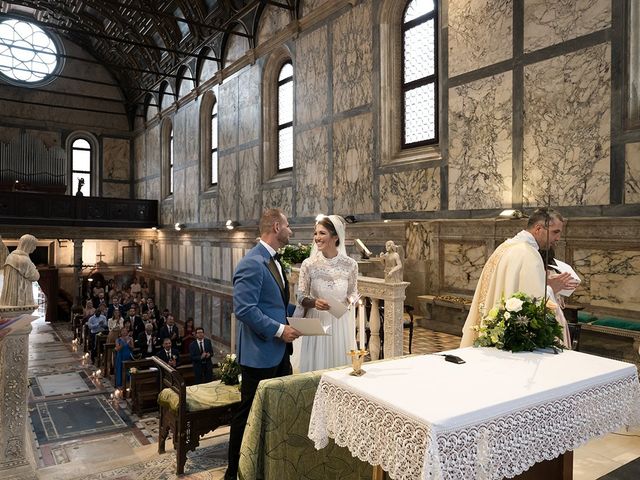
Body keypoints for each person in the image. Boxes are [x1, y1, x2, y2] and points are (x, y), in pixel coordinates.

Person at [225, 208, 301, 480]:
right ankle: (233, 473)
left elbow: (273, 304)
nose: (291, 231)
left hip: (279, 353)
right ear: (277, 227)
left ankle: (267, 467)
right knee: (246, 417)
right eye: (288, 225)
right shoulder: (252, 262)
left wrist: (303, 307)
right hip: (260, 354)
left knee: (276, 413)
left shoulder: (274, 261)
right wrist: (280, 330)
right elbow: (244, 310)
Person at [460, 208, 579, 347]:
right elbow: (531, 302)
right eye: (555, 232)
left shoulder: (507, 246)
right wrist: (551, 288)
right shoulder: (528, 254)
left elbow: (514, 291)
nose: (558, 238)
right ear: (538, 229)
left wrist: (545, 283)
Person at [296, 215, 359, 372]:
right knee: (315, 369)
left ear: (335, 236)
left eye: (322, 233)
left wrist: (348, 303)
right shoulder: (309, 264)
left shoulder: (350, 265)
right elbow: (301, 297)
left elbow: (353, 293)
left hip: (340, 323)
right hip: (317, 323)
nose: (317, 238)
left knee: (339, 369)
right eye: (315, 233)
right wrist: (314, 303)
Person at [0, 234, 40, 306]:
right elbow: (35, 277)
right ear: (28, 245)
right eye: (34, 245)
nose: (35, 248)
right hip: (21, 300)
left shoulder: (10, 256)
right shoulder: (24, 260)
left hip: (9, 299)